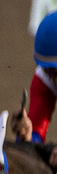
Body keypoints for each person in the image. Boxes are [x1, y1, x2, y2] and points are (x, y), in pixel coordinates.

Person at [20, 11, 57, 143]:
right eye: (50, 71)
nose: (55, 79)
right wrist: (26, 136)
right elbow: (35, 141)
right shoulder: (43, 79)